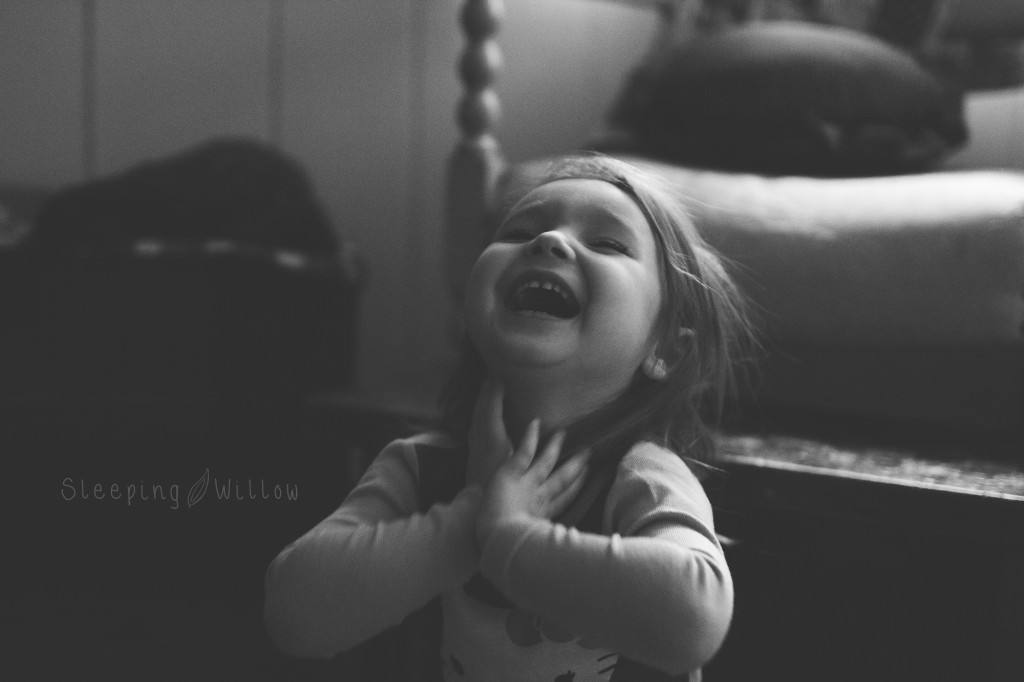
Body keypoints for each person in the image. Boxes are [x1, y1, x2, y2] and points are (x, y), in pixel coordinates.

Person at [263, 154, 754, 681]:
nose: (550, 242)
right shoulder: (420, 468)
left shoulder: (643, 478)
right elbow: (294, 616)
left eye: (608, 243)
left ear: (665, 350)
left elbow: (693, 621)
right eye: (520, 230)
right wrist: (468, 521)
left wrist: (509, 537)